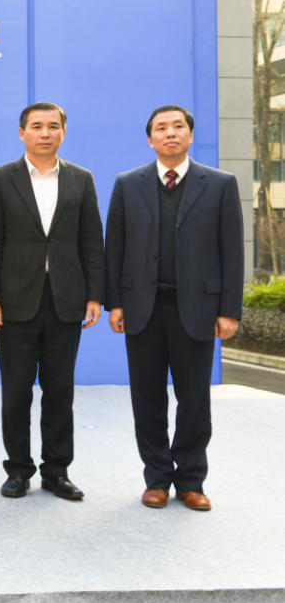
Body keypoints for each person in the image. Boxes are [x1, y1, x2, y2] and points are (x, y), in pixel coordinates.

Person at [105, 105, 243, 511]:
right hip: (142, 309)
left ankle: (191, 480)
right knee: (147, 399)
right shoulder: (127, 184)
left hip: (197, 310)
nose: (170, 133)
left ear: (190, 135)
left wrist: (229, 309)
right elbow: (115, 248)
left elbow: (232, 251)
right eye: (161, 128)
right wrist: (115, 303)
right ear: (150, 140)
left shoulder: (219, 184)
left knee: (195, 400)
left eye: (178, 126)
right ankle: (157, 479)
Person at [0, 102, 104, 501]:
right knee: (16, 392)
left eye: (53, 126)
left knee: (59, 391)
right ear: (22, 133)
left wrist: (95, 295)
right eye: (36, 126)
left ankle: (57, 471)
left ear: (63, 131)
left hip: (66, 300)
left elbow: (91, 241)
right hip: (14, 302)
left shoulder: (81, 179)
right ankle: (18, 470)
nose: (45, 133)